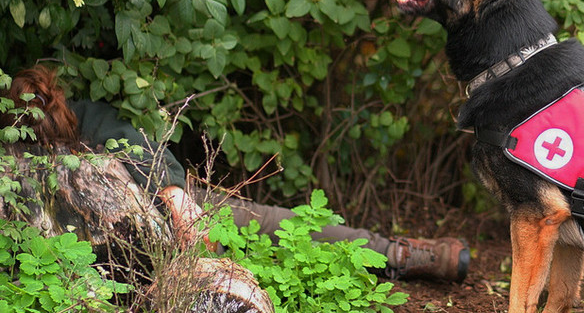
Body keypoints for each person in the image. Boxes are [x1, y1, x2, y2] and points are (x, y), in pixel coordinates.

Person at [1, 65, 470, 282]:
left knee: (275, 224)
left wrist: (177, 199)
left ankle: (397, 254)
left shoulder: (84, 119)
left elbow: (136, 144)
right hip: (91, 267)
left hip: (161, 216)